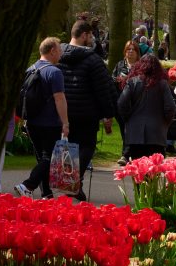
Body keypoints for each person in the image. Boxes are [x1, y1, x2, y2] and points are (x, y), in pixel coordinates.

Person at [56, 19, 117, 200]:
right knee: (87, 147)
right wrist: (108, 114)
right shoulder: (92, 60)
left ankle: (74, 184)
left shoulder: (58, 56)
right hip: (87, 112)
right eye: (90, 35)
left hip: (65, 111)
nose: (92, 39)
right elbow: (103, 89)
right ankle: (73, 181)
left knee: (69, 148)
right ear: (84, 35)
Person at [14, 37, 70, 199]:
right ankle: (28, 185)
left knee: (42, 159)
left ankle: (47, 194)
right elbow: (59, 98)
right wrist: (65, 122)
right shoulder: (54, 72)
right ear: (52, 51)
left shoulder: (29, 69)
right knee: (51, 159)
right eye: (59, 50)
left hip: (32, 122)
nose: (61, 53)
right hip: (50, 122)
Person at [117, 54, 176, 159]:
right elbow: (170, 107)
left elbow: (121, 103)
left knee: (138, 169)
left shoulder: (132, 82)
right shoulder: (162, 84)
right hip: (157, 133)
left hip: (135, 132)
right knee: (154, 170)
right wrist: (165, 122)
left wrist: (128, 118)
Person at [112, 40, 142, 164]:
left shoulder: (140, 66)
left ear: (137, 52)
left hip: (135, 103)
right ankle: (128, 153)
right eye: (128, 49)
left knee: (130, 128)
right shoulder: (119, 65)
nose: (130, 52)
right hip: (121, 102)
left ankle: (126, 154)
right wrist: (117, 80)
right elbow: (112, 79)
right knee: (124, 128)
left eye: (133, 49)